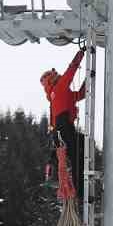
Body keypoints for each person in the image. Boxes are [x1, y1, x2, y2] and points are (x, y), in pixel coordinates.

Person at [40, 47, 87, 192]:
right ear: (52, 78)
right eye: (55, 74)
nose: (58, 75)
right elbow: (71, 71)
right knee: (77, 154)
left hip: (59, 131)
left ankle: (72, 185)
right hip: (64, 127)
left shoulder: (57, 94)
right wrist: (80, 54)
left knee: (78, 147)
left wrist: (88, 80)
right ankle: (79, 191)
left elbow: (78, 95)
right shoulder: (59, 87)